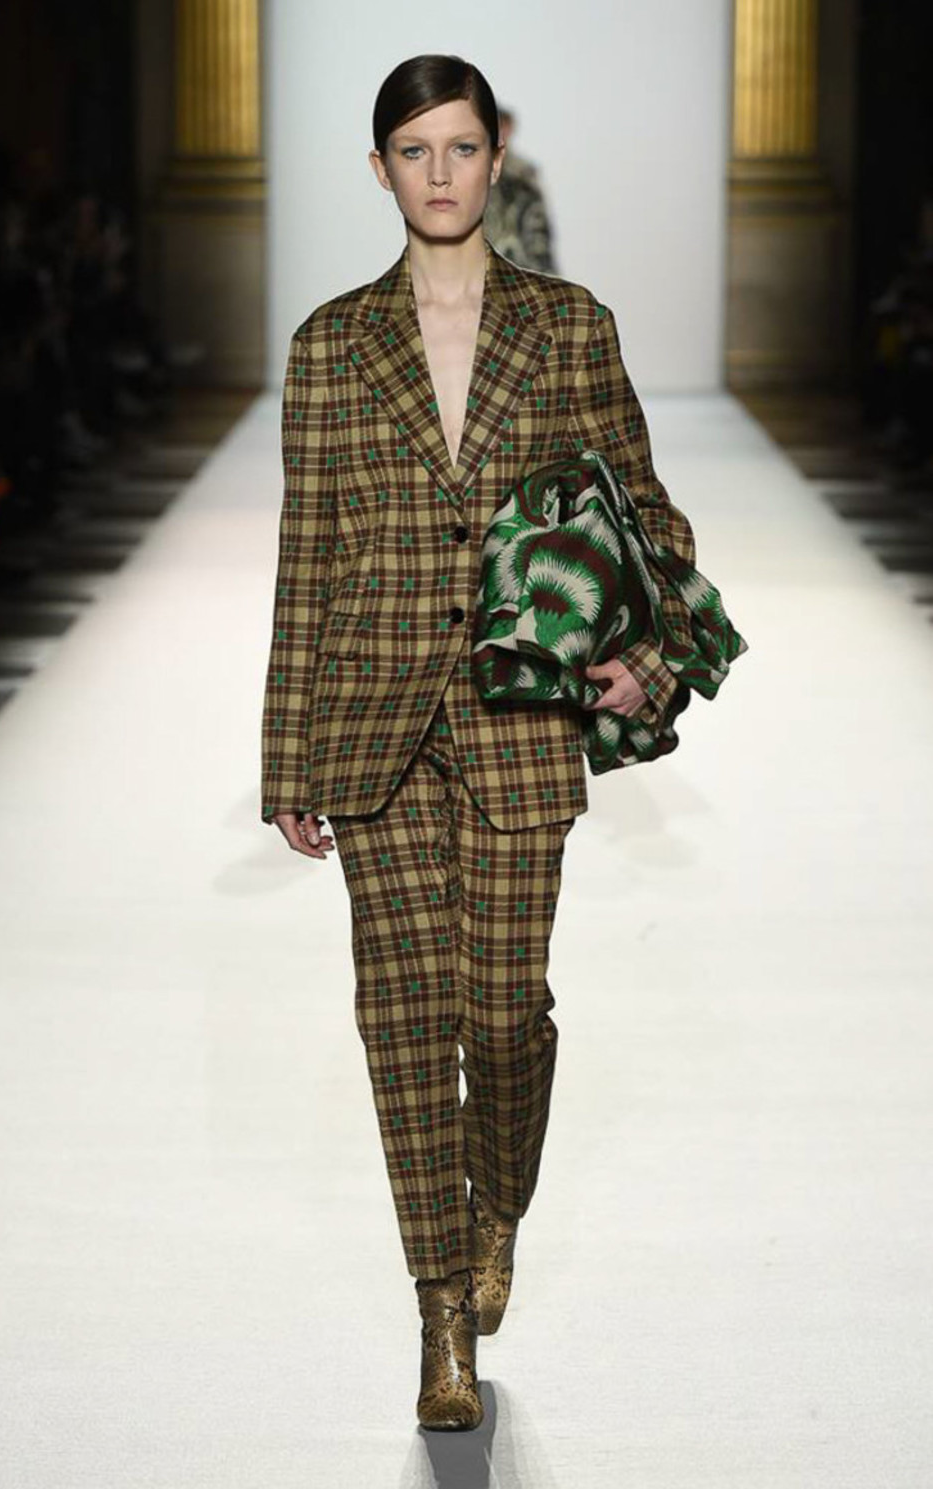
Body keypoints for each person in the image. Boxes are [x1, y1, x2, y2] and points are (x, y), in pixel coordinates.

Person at [260, 54, 698, 1432]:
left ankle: (496, 1197)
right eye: (414, 149)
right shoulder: (330, 346)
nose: (439, 173)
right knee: (402, 1021)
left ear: (494, 157)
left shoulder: (567, 328)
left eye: (460, 147)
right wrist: (287, 757)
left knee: (502, 1013)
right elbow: (308, 558)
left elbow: (646, 513)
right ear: (378, 168)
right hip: (371, 717)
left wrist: (648, 652)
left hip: (519, 712)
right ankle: (440, 1311)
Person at [483, 105, 558, 274]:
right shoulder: (473, 170)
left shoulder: (523, 173)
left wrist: (547, 273)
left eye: (502, 126)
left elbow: (538, 226)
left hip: (521, 263)